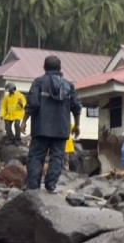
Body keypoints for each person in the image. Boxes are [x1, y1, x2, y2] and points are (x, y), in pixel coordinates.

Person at [21, 55, 81, 192]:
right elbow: (76, 107)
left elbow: (33, 104)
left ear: (44, 67)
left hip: (40, 128)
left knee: (36, 156)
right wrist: (77, 125)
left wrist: (24, 121)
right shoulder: (69, 85)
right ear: (60, 68)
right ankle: (51, 183)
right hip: (61, 129)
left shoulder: (38, 82)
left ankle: (34, 186)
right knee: (57, 157)